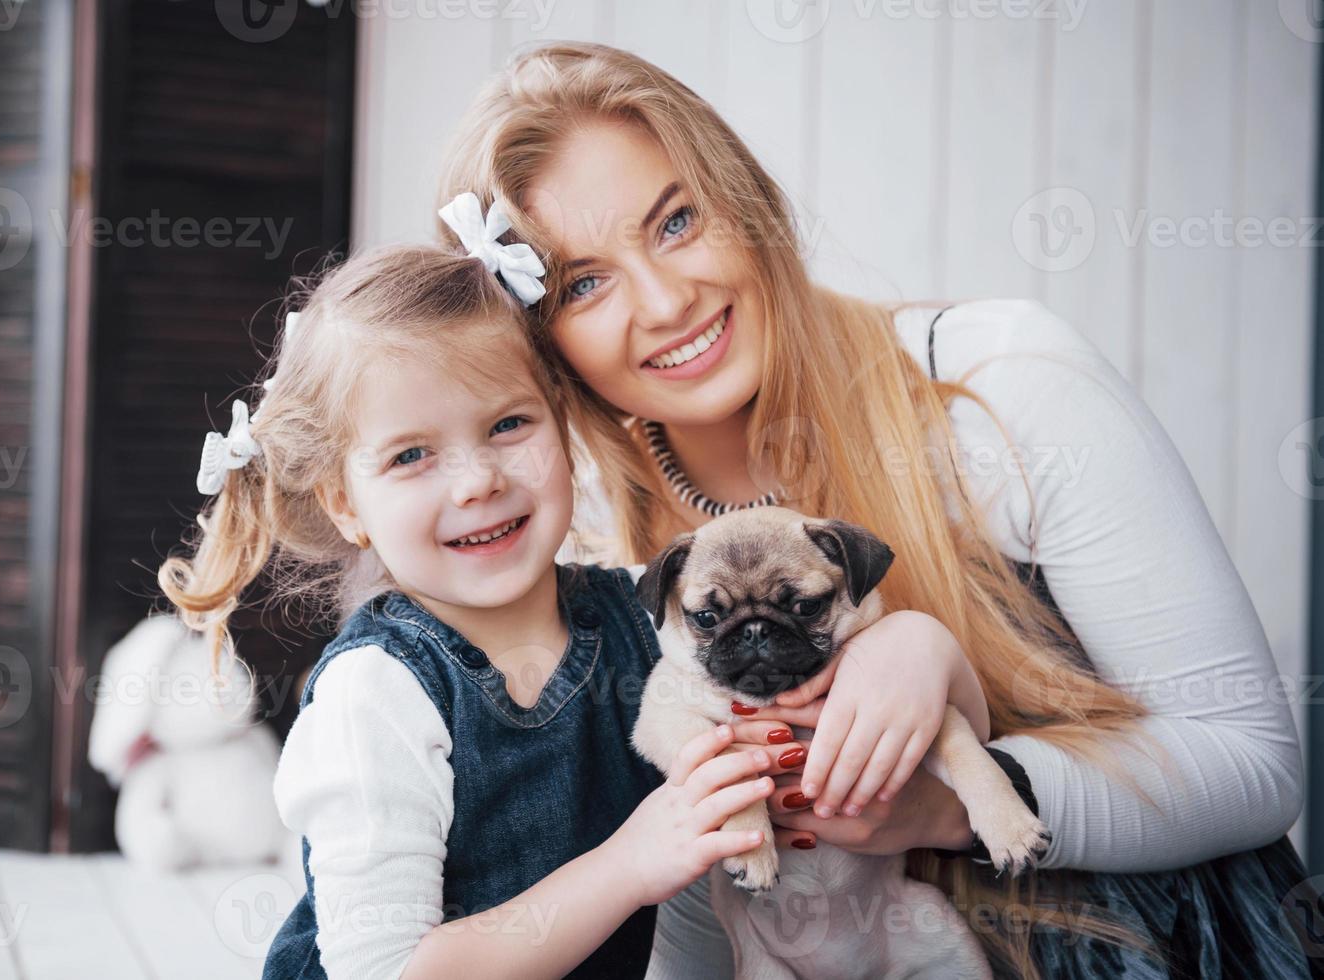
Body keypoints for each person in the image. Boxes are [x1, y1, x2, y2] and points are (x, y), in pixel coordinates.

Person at [434, 41, 1319, 978]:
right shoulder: (595, 547)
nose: (664, 299)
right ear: (540, 341)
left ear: (746, 198)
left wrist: (944, 798)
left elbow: (1254, 766)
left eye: (677, 219)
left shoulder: (998, 387)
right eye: (583, 281)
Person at [158, 203, 802, 979]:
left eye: (507, 426)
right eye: (411, 456)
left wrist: (917, 651)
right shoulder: (377, 698)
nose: (478, 483)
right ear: (343, 503)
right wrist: (630, 866)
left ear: (561, 426)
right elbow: (389, 971)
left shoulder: (650, 612)